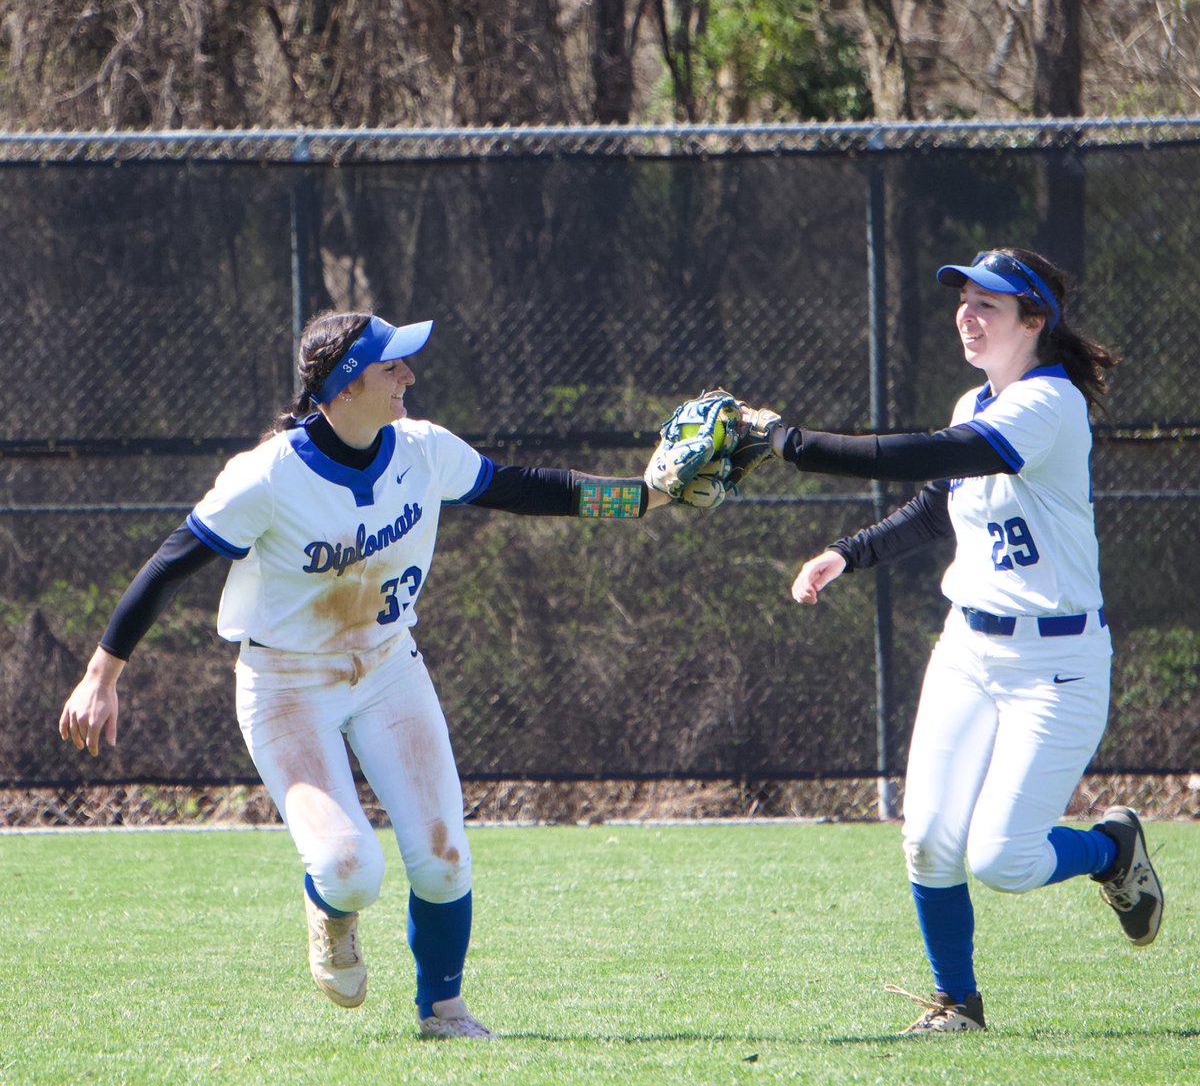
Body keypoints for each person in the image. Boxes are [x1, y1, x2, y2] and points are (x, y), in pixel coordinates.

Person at [59, 309, 676, 1040]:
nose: (409, 376)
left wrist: (642, 497)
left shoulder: (422, 450)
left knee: (444, 858)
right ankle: (329, 908)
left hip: (388, 669)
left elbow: (530, 488)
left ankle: (443, 1010)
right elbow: (171, 564)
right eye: (392, 367)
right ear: (348, 384)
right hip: (285, 685)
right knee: (353, 869)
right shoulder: (267, 476)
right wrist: (103, 672)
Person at [750, 247, 1163, 1034]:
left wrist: (794, 445)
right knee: (929, 842)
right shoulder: (974, 400)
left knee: (1002, 859)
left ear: (1034, 321)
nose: (967, 316)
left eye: (990, 305)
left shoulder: (1051, 403)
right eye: (964, 301)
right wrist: (850, 552)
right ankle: (957, 1005)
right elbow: (942, 502)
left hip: (1057, 664)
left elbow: (941, 454)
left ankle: (1110, 849)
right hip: (969, 649)